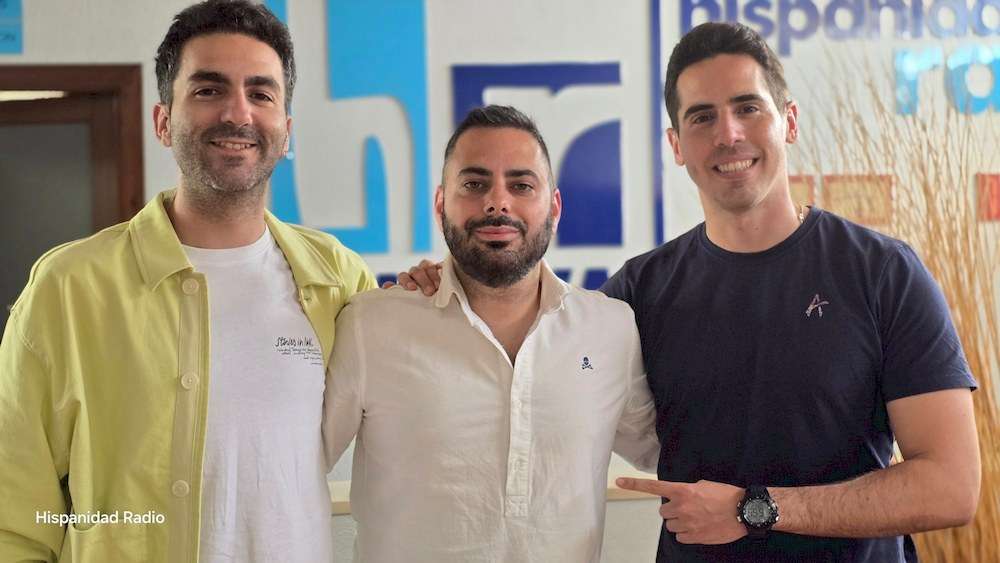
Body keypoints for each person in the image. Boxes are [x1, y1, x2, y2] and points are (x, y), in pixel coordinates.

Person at [398, 22, 980, 563]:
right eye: (702, 117)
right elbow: (523, 338)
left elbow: (951, 486)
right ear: (676, 145)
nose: (728, 134)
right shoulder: (637, 294)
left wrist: (757, 509)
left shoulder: (882, 272)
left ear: (789, 121)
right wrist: (450, 280)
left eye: (748, 108)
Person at [0, 1, 375, 561]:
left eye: (261, 93)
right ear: (163, 121)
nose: (238, 112)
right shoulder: (69, 288)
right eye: (208, 89)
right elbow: (15, 515)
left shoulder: (337, 279)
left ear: (286, 132)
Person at [322, 105, 660, 562]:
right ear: (441, 204)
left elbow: (663, 448)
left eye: (521, 185)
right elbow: (298, 466)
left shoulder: (609, 328)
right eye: (474, 184)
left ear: (554, 207)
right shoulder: (372, 325)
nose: (497, 203)